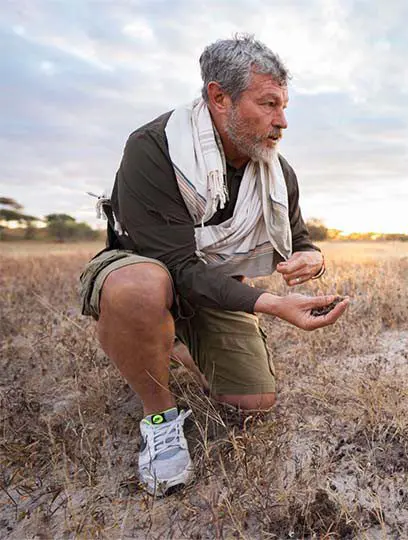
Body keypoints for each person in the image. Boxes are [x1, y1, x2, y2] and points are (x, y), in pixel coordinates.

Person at [79, 35, 349, 496]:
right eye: (268, 104)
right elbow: (178, 266)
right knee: (142, 288)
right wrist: (270, 304)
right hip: (147, 268)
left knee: (253, 403)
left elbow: (299, 239)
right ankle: (159, 416)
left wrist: (313, 258)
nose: (282, 122)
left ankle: (176, 343)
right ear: (218, 97)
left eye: (284, 107)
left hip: (214, 282)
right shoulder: (154, 148)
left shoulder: (277, 172)